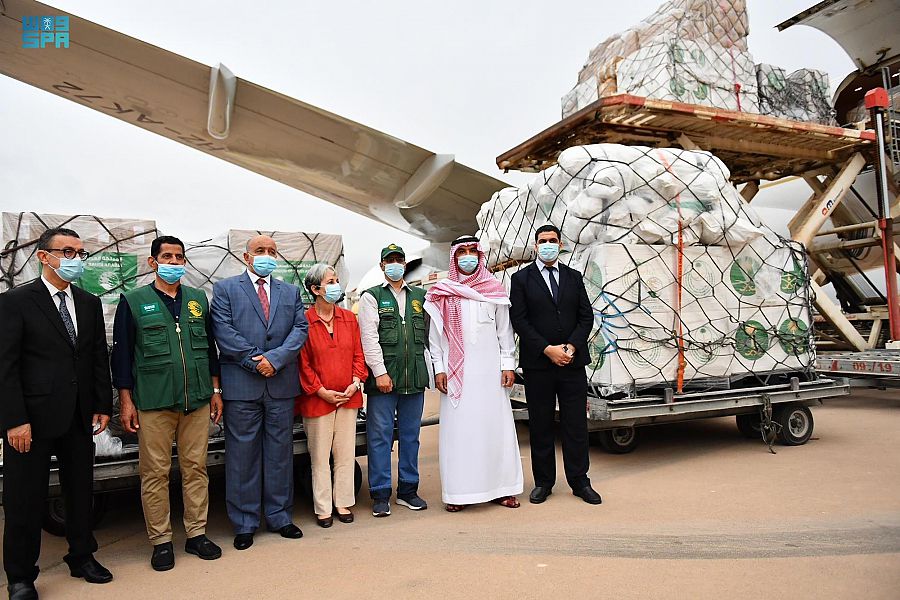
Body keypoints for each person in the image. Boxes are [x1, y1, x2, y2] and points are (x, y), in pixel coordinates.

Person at [0, 227, 114, 600]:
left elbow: (97, 356)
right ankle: (20, 576)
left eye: (80, 253)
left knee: (80, 492)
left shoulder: (88, 302)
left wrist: (101, 405)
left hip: (80, 417)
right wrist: (15, 419)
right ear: (43, 256)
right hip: (30, 422)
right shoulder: (16, 302)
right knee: (24, 499)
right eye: (67, 251)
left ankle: (81, 557)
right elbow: (6, 366)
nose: (75, 259)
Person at [110, 235, 223, 571]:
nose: (174, 263)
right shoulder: (133, 301)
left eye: (179, 258)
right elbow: (122, 356)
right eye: (168, 257)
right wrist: (126, 402)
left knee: (196, 469)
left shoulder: (197, 299)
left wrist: (215, 391)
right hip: (154, 401)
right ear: (153, 262)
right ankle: (160, 541)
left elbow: (210, 349)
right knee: (155, 473)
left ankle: (196, 534)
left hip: (197, 400)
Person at [211, 235, 308, 550]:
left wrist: (275, 360)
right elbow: (223, 331)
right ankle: (244, 522)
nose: (266, 256)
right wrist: (258, 362)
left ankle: (280, 517)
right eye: (260, 251)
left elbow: (300, 329)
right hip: (243, 385)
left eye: (271, 251)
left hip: (280, 384)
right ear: (246, 256)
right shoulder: (226, 289)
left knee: (280, 455)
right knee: (242, 457)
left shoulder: (290, 291)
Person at [424, 236, 523, 512]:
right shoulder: (441, 292)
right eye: (462, 252)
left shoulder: (494, 289)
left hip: (490, 375)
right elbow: (435, 338)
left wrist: (507, 365)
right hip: (457, 377)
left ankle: (503, 489)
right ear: (454, 258)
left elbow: (505, 332)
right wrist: (440, 369)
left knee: (496, 430)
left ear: (479, 255)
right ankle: (458, 494)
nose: (468, 257)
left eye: (472, 252)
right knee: (460, 434)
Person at [509, 224, 602, 506]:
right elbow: (520, 321)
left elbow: (586, 317)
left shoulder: (574, 277)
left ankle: (579, 481)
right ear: (535, 246)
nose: (547, 244)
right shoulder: (521, 279)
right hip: (540, 364)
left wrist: (571, 347)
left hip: (572, 362)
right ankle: (543, 483)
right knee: (541, 425)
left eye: (552, 240)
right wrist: (548, 350)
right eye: (542, 241)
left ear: (560, 244)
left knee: (575, 425)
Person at [357, 244, 429, 517]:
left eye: (399, 260)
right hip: (384, 381)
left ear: (405, 265)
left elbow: (430, 335)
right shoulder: (371, 297)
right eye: (390, 261)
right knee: (380, 438)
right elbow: (369, 338)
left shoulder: (420, 296)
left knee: (411, 437)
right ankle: (380, 493)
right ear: (382, 266)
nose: (395, 264)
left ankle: (409, 490)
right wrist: (380, 372)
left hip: (414, 378)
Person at [296, 263, 367, 528]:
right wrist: (321, 391)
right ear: (315, 289)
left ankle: (343, 502)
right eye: (330, 281)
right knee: (320, 457)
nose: (336, 285)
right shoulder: (303, 321)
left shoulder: (349, 318)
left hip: (349, 397)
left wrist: (356, 382)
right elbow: (302, 363)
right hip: (317, 401)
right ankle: (323, 507)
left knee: (345, 454)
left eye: (337, 280)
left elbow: (359, 355)